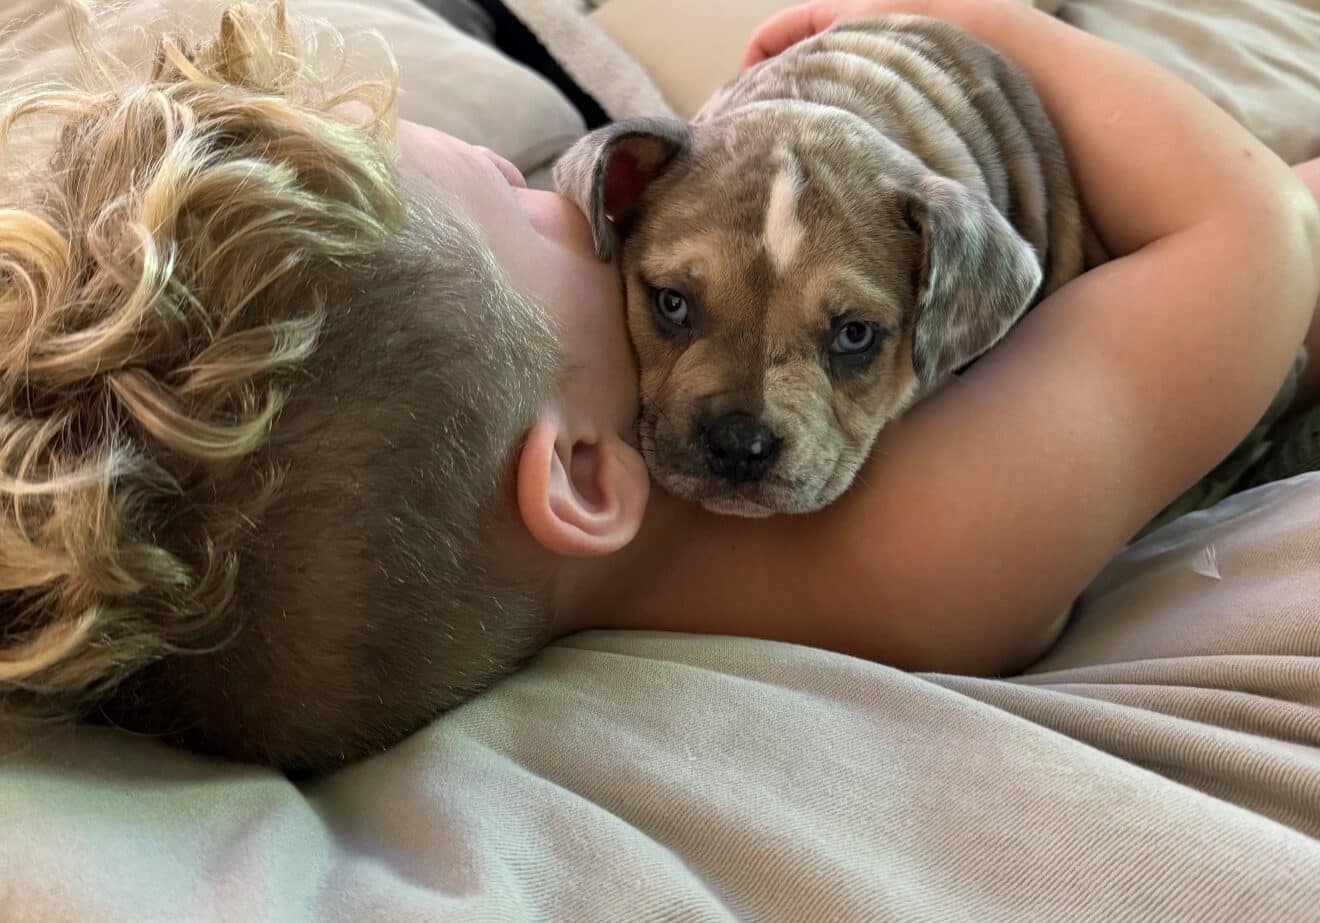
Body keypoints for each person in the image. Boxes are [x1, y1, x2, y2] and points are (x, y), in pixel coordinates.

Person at [0, 0, 1316, 773]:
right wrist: (981, 27)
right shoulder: (922, 553)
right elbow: (1258, 242)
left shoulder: (459, 554)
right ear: (580, 471)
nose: (585, 201)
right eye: (535, 202)